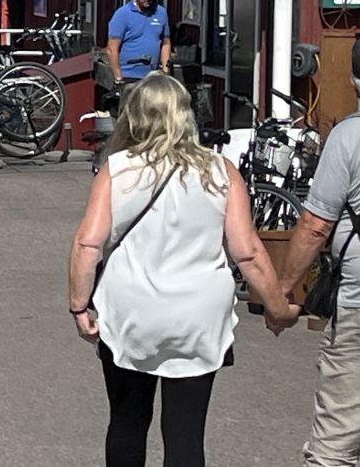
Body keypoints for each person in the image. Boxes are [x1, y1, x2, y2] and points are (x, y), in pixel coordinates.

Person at [68, 73, 297, 466]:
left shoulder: (118, 168)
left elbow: (88, 243)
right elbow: (247, 252)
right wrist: (278, 307)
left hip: (131, 312)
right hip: (197, 317)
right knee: (186, 431)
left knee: (127, 420)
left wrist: (78, 306)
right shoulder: (221, 170)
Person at [274, 32, 360, 466]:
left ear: (358, 82)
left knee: (334, 449)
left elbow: (314, 226)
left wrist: (285, 292)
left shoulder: (349, 135)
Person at [107, 0, 171, 84]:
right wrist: (118, 78)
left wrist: (165, 69)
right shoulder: (122, 14)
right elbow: (112, 49)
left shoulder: (160, 12)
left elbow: (166, 43)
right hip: (129, 76)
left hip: (153, 76)